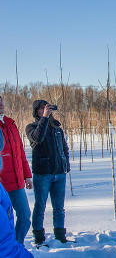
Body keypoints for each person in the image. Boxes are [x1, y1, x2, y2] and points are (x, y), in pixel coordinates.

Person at [26, 100, 70, 245]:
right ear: (36, 112)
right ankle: (38, 238)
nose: (45, 111)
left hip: (59, 173)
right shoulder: (31, 127)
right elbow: (38, 138)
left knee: (59, 207)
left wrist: (66, 165)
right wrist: (44, 118)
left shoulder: (57, 127)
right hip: (42, 174)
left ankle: (60, 236)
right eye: (41, 109)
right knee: (40, 206)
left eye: (46, 108)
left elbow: (64, 148)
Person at [0, 95, 33, 245]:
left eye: (1, 101)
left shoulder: (10, 124)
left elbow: (20, 152)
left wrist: (27, 175)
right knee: (4, 221)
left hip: (17, 182)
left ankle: (16, 245)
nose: (0, 104)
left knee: (25, 216)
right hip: (2, 184)